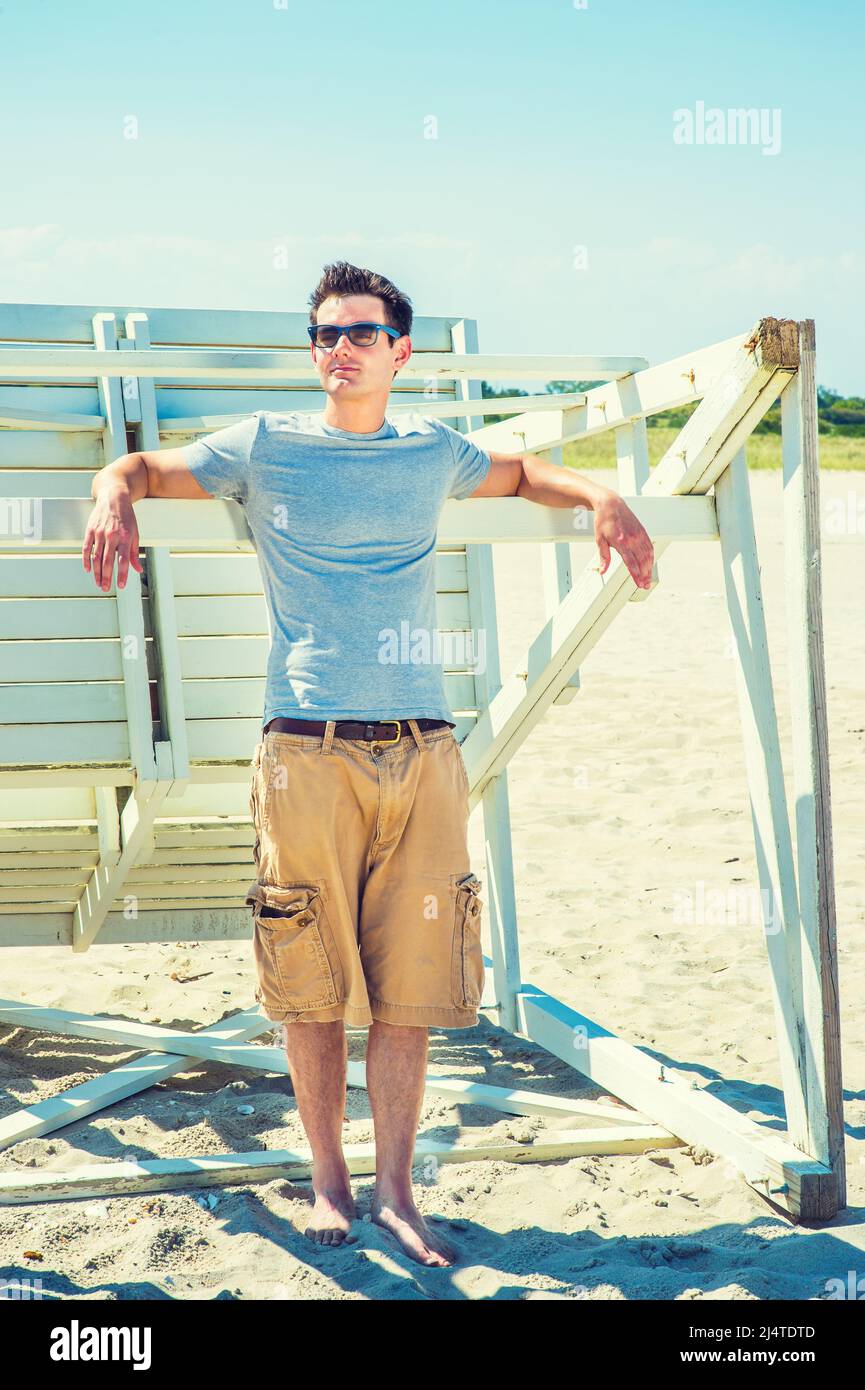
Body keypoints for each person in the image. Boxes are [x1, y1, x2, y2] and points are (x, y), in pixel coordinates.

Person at [82, 261, 654, 1267]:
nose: (335, 349)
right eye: (321, 335)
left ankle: (396, 1190)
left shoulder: (429, 449)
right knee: (308, 979)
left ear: (399, 350)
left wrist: (602, 495)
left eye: (357, 333)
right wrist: (108, 497)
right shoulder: (264, 445)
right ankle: (329, 1181)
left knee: (409, 987)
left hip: (424, 750)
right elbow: (143, 468)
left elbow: (520, 475)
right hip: (307, 747)